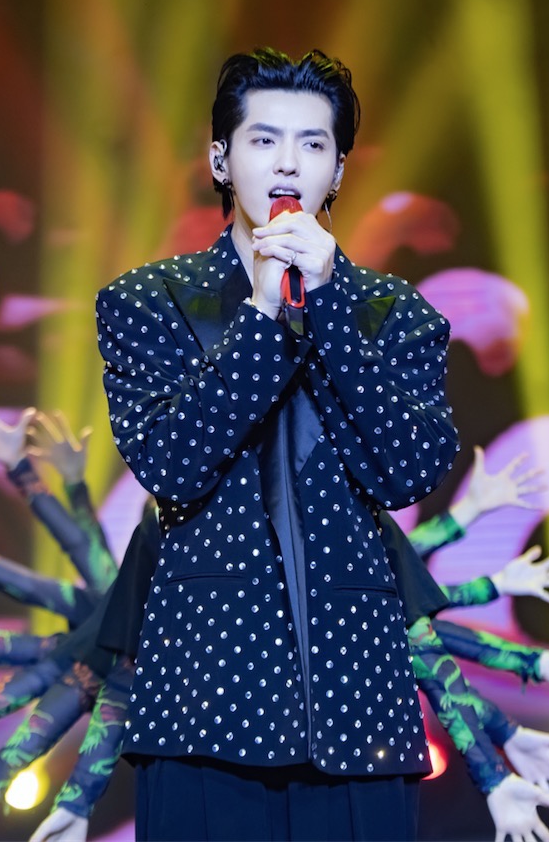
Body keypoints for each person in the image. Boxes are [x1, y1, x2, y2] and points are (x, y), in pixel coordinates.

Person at [94, 47, 464, 840]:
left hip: (357, 709)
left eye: (313, 144)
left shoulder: (393, 313)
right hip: (204, 707)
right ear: (220, 160)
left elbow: (406, 469)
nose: (288, 163)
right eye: (264, 140)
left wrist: (327, 308)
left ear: (338, 171)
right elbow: (172, 465)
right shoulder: (150, 302)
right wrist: (262, 317)